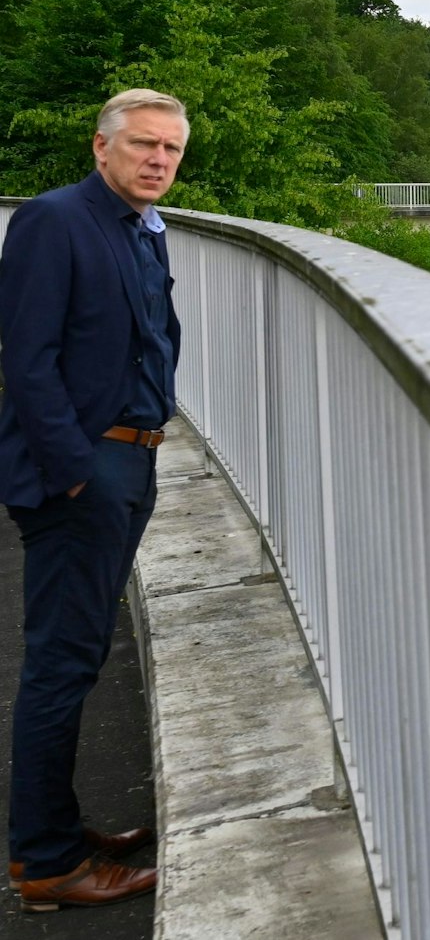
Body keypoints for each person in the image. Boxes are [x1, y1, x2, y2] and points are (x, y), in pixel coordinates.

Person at [0, 88, 188, 911]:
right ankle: (44, 863)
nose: (157, 160)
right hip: (84, 475)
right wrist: (78, 470)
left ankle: (63, 831)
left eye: (171, 150)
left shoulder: (139, 230)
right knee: (61, 664)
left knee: (77, 658)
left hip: (126, 466)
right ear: (100, 146)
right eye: (143, 144)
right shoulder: (54, 220)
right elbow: (26, 358)